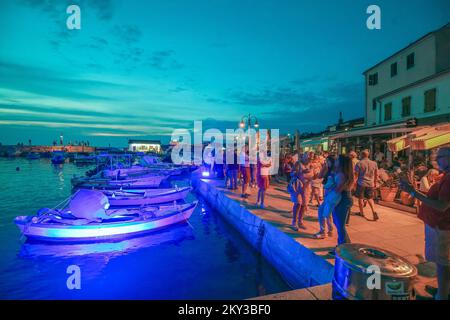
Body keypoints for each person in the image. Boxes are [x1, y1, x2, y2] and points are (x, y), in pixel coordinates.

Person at [400, 146, 450, 300]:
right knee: (442, 262)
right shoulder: (445, 175)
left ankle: (442, 295)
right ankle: (443, 290)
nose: (436, 160)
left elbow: (442, 205)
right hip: (438, 226)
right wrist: (413, 189)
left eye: (440, 156)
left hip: (441, 226)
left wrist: (413, 192)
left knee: (443, 263)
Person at [331, 154, 354, 248]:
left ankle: (344, 248)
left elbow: (338, 190)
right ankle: (343, 245)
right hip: (345, 198)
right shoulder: (345, 173)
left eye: (337, 160)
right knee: (339, 224)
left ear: (341, 163)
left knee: (340, 225)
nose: (335, 161)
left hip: (342, 199)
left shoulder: (341, 175)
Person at [313, 156, 337, 239]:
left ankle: (324, 232)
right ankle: (329, 230)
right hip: (327, 194)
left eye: (327, 161)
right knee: (326, 213)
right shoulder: (328, 169)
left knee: (322, 212)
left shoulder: (335, 171)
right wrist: (324, 167)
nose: (326, 162)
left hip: (331, 195)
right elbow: (319, 176)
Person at [354, 149, 379, 221]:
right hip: (370, 183)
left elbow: (356, 175)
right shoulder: (374, 163)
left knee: (360, 198)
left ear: (362, 155)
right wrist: (375, 182)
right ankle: (373, 211)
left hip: (361, 183)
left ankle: (362, 213)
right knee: (370, 198)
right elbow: (376, 174)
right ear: (368, 155)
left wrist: (354, 183)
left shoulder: (359, 163)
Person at [288, 163, 307, 230]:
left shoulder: (312, 165)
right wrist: (301, 171)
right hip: (297, 187)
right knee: (298, 204)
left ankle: (300, 222)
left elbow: (314, 177)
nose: (310, 157)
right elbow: (292, 173)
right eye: (308, 155)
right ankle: (294, 222)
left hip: (306, 188)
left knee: (303, 205)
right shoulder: (298, 163)